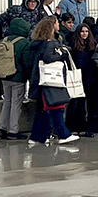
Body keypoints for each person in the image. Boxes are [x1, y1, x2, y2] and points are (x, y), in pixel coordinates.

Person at [26, 16, 79, 146]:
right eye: (56, 22)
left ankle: (37, 136)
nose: (58, 24)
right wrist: (61, 53)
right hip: (51, 80)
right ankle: (63, 134)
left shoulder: (37, 43)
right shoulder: (50, 43)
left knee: (43, 110)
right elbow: (48, 57)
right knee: (56, 107)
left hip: (40, 79)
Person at [0, 18, 31, 139]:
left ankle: (2, 128)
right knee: (16, 104)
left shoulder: (4, 40)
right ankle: (13, 131)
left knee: (7, 102)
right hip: (18, 77)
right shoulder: (24, 42)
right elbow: (26, 62)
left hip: (4, 76)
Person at [66, 22, 95, 134]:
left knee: (83, 103)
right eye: (82, 31)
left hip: (88, 77)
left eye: (86, 31)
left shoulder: (91, 44)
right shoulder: (74, 44)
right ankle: (72, 127)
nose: (84, 34)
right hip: (76, 76)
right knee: (75, 102)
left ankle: (82, 126)